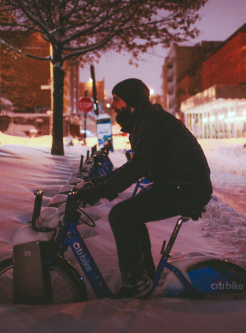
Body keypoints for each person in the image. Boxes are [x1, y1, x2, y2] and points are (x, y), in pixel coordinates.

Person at [75, 78, 212, 299]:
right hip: (178, 184)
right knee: (129, 215)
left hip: (188, 188)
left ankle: (137, 282)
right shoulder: (144, 121)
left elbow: (139, 166)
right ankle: (143, 276)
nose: (112, 105)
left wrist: (100, 191)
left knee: (122, 215)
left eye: (117, 100)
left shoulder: (151, 124)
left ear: (131, 102)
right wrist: (97, 185)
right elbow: (135, 165)